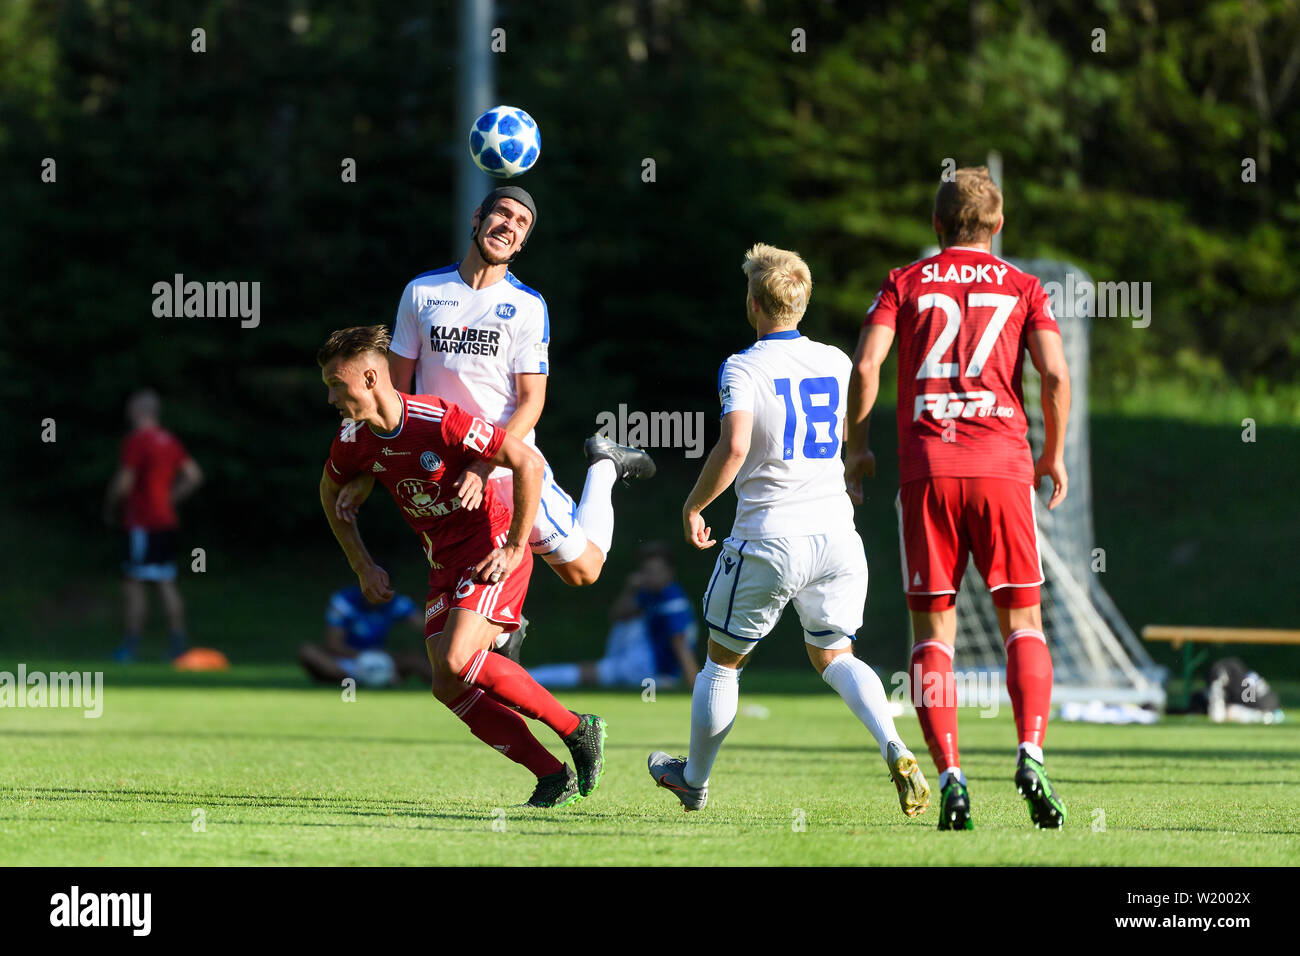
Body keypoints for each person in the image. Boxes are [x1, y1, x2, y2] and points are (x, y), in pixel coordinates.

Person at [647, 244, 931, 818]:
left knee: (722, 661)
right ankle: (894, 744)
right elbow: (855, 416)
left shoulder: (743, 366)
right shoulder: (835, 360)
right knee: (835, 655)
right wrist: (854, 462)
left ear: (753, 305)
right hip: (836, 537)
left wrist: (694, 505)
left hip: (771, 534)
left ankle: (693, 781)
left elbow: (735, 447)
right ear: (803, 302)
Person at [844, 165, 1072, 830]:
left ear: (936, 227)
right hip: (1004, 467)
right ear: (998, 227)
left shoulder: (905, 281)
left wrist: (858, 449)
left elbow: (865, 366)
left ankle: (951, 774)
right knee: (1022, 623)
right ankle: (1030, 751)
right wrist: (1051, 453)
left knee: (932, 634)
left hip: (929, 471)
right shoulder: (1024, 285)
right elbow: (1054, 372)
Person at [317, 325, 606, 808]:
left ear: (370, 378)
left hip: (492, 549)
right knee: (446, 683)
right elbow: (329, 495)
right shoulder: (353, 439)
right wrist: (362, 565)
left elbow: (527, 464)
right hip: (444, 563)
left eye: (335, 383)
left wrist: (516, 547)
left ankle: (579, 729)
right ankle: (554, 776)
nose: (330, 397)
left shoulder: (438, 419)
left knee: (456, 660)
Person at [333, 186, 654, 602]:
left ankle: (604, 464)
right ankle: (504, 635)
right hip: (440, 468)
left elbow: (531, 401)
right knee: (474, 575)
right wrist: (367, 474)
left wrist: (486, 464)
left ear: (522, 242)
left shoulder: (527, 305)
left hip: (506, 467)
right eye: (502, 213)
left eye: (521, 223)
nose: (509, 226)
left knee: (583, 571)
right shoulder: (422, 292)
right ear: (477, 218)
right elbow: (393, 394)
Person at [102, 390, 203, 662]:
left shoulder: (137, 441)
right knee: (165, 581)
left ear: (137, 411)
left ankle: (129, 648)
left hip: (142, 522)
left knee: (134, 582)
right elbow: (193, 475)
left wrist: (111, 507)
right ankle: (178, 644)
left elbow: (124, 482)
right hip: (166, 521)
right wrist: (170, 499)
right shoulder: (169, 440)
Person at [529, 542, 699, 691]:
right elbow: (617, 615)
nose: (651, 576)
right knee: (591, 669)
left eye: (656, 571)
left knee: (588, 672)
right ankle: (529, 677)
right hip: (646, 668)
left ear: (670, 572)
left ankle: (528, 678)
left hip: (652, 672)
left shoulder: (672, 600)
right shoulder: (650, 595)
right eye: (647, 571)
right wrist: (630, 589)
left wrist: (694, 685)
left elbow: (680, 644)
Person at [298, 585, 432, 685]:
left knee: (415, 660)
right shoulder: (344, 602)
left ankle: (447, 687)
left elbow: (427, 629)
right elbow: (333, 643)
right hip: (349, 659)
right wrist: (364, 657)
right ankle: (367, 678)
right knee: (307, 651)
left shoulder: (395, 602)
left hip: (382, 658)